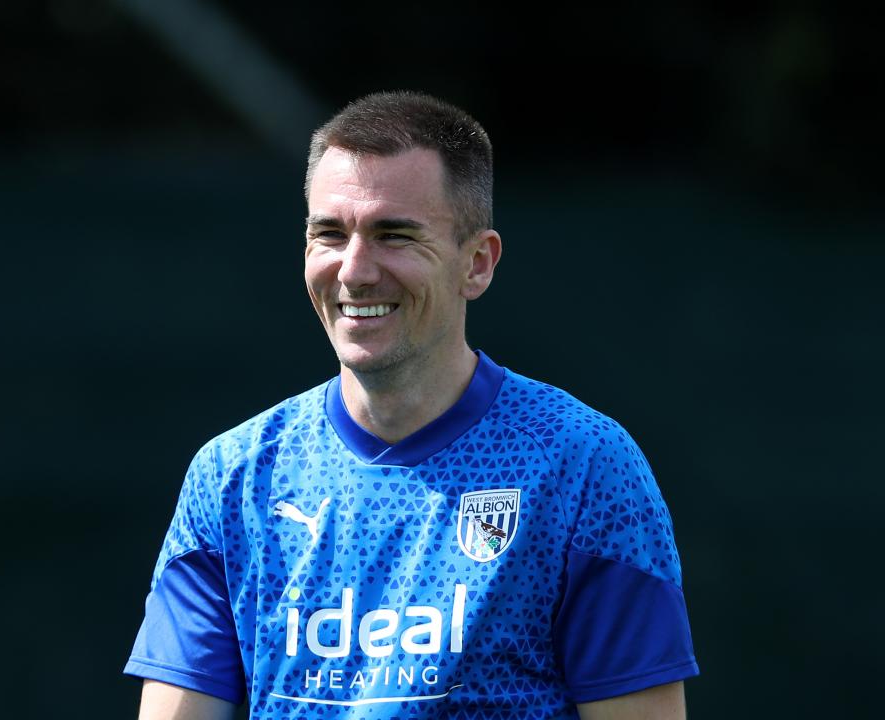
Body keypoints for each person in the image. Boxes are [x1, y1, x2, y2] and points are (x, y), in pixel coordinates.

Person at [124, 90, 700, 719]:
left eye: (393, 235)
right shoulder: (233, 477)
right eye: (330, 234)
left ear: (476, 264)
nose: (354, 270)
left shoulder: (582, 466)